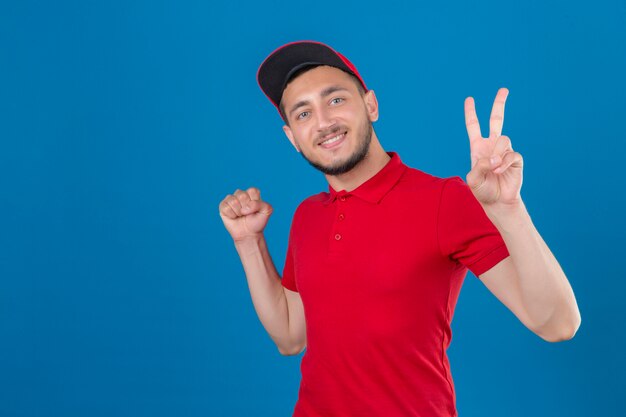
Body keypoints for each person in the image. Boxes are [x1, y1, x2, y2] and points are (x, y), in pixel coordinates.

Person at [218, 41, 581, 417]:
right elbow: (291, 335)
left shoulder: (443, 200)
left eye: (336, 100)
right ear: (292, 137)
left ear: (371, 105)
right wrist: (248, 241)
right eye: (303, 113)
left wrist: (509, 209)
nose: (323, 122)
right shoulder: (307, 216)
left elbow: (558, 323)